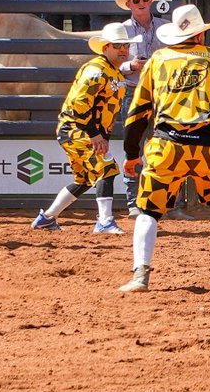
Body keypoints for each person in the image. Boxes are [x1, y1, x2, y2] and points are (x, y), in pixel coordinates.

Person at [119, 3, 210, 293]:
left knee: (148, 211)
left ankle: (140, 275)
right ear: (200, 35)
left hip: (167, 146)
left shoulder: (158, 61)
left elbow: (138, 113)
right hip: (209, 147)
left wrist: (131, 154)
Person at [31, 20, 141, 235]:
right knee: (106, 168)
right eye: (117, 45)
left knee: (83, 179)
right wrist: (94, 134)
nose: (123, 49)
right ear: (105, 48)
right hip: (76, 129)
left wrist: (102, 135)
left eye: (126, 45)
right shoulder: (96, 70)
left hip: (81, 130)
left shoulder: (113, 72)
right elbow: (80, 104)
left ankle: (47, 218)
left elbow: (106, 110)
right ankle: (105, 221)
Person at [115, 0, 168, 219]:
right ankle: (133, 202)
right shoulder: (123, 30)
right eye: (136, 0)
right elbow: (112, 64)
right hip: (134, 91)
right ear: (129, 4)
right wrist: (131, 66)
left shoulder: (165, 27)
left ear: (150, 0)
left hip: (160, 94)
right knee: (134, 147)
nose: (141, 3)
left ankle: (160, 200)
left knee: (164, 147)